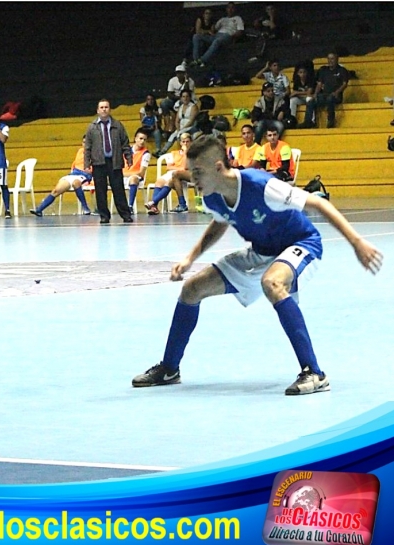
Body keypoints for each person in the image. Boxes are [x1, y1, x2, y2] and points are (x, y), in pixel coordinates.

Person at [131, 135, 382, 395]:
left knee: (272, 283)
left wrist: (356, 242)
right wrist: (191, 257)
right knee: (192, 289)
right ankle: (169, 369)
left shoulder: (261, 185)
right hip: (261, 252)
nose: (191, 178)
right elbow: (221, 221)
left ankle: (314, 373)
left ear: (218, 168)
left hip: (301, 243)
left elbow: (318, 202)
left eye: (197, 172)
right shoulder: (211, 195)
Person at [84, 99, 133, 224]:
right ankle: (104, 216)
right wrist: (87, 164)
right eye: (101, 107)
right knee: (100, 191)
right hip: (98, 163)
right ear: (97, 110)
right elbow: (87, 147)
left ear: (110, 109)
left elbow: (125, 143)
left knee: (118, 189)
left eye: (106, 107)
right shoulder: (92, 127)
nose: (104, 109)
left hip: (115, 161)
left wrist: (128, 157)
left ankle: (125, 214)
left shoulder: (118, 125)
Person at [30, 137, 93, 216]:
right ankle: (39, 209)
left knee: (75, 183)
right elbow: (75, 164)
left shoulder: (95, 153)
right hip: (74, 174)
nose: (85, 144)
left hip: (85, 175)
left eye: (87, 143)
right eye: (83, 142)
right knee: (56, 190)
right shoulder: (80, 151)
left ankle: (85, 208)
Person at [145, 132, 193, 215]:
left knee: (171, 179)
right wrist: (179, 168)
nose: (185, 143)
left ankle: (153, 202)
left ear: (191, 142)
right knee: (159, 181)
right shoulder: (174, 153)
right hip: (173, 172)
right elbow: (169, 167)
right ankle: (154, 207)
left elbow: (185, 167)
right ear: (180, 142)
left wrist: (185, 153)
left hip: (185, 174)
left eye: (187, 141)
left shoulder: (192, 153)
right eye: (183, 141)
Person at [301, 52, 349, 129]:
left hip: (336, 96)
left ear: (337, 59)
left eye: (332, 58)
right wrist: (315, 94)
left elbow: (344, 84)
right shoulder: (323, 70)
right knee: (311, 101)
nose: (330, 61)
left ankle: (331, 121)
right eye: (329, 59)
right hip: (324, 95)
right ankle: (308, 121)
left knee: (330, 98)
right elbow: (319, 84)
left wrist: (336, 92)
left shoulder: (342, 70)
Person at [191, 2, 244, 68]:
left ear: (235, 9)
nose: (230, 10)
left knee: (217, 41)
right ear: (226, 9)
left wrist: (232, 36)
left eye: (232, 8)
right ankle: (195, 59)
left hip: (227, 35)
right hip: (217, 35)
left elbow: (240, 31)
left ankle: (202, 60)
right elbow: (213, 29)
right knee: (196, 36)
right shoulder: (222, 19)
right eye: (228, 8)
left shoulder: (238, 18)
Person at [159, 66, 196, 140]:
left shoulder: (190, 81)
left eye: (181, 73)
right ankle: (168, 125)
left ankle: (175, 127)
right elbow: (169, 94)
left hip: (186, 100)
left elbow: (187, 93)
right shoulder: (172, 80)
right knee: (164, 103)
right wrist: (179, 98)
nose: (179, 75)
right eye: (177, 73)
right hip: (174, 99)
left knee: (183, 101)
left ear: (185, 73)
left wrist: (186, 81)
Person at [160, 89, 199, 154]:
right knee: (173, 135)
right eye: (183, 96)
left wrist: (182, 129)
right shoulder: (180, 107)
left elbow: (191, 121)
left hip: (190, 127)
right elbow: (177, 120)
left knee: (179, 135)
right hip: (181, 127)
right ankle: (162, 151)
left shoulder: (193, 107)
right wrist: (178, 128)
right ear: (181, 98)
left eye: (187, 96)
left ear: (189, 97)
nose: (185, 98)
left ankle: (182, 151)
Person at [124, 129, 151, 211]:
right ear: (135, 138)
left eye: (145, 140)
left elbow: (141, 173)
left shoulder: (146, 154)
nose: (142, 141)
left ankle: (130, 206)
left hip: (136, 177)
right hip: (122, 175)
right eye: (140, 138)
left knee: (134, 179)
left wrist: (124, 174)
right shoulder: (125, 150)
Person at [139, 93, 163, 158]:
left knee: (157, 132)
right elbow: (142, 122)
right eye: (148, 99)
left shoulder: (158, 109)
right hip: (146, 129)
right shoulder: (143, 109)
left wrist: (156, 114)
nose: (150, 101)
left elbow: (159, 122)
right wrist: (148, 127)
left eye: (152, 99)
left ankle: (158, 150)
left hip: (155, 128)